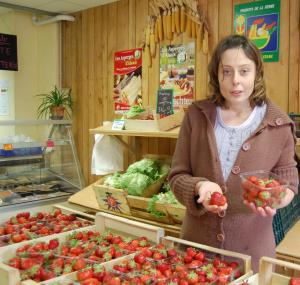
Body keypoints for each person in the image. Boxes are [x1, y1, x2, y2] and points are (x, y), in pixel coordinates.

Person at [168, 34, 299, 272]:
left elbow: (289, 183)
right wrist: (200, 188)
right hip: (195, 255)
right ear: (216, 75)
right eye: (226, 71)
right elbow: (177, 177)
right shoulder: (196, 117)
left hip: (251, 257)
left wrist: (275, 198)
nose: (235, 81)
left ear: (257, 73)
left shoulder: (279, 125)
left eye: (244, 71)